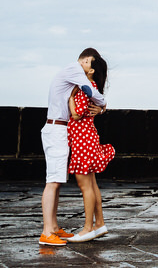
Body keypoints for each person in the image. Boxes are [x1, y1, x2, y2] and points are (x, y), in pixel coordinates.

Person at [39, 48, 108, 247]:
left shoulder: (74, 74)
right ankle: (46, 231)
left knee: (58, 180)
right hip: (57, 128)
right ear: (87, 60)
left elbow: (87, 97)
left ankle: (53, 227)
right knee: (53, 181)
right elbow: (90, 92)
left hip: (63, 129)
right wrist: (103, 104)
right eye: (90, 63)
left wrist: (101, 106)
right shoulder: (74, 69)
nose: (88, 66)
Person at [63, 53, 116, 242]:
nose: (80, 63)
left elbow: (76, 115)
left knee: (85, 185)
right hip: (86, 137)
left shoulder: (86, 88)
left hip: (82, 140)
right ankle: (99, 224)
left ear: (91, 70)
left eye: (85, 62)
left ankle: (87, 228)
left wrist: (70, 98)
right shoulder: (91, 87)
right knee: (91, 184)